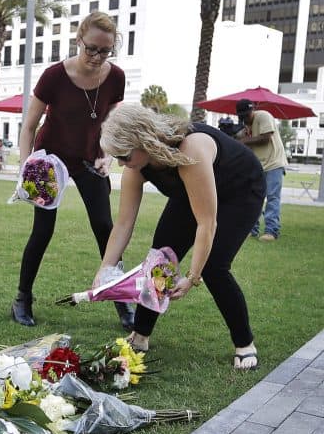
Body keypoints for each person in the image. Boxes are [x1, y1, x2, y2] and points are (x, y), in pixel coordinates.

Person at [96, 104, 264, 370]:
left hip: (240, 189)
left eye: (124, 155)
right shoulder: (136, 166)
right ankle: (140, 336)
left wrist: (192, 277)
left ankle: (245, 343)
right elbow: (123, 223)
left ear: (145, 141)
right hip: (191, 189)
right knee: (161, 258)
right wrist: (105, 269)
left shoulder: (191, 149)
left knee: (215, 267)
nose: (120, 163)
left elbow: (206, 223)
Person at [11, 11, 133, 332]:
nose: (96, 56)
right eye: (91, 48)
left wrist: (107, 156)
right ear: (79, 40)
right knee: (43, 230)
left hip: (89, 159)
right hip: (50, 159)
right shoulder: (54, 76)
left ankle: (122, 301)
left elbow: (110, 122)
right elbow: (29, 126)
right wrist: (29, 168)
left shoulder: (116, 78)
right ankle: (22, 299)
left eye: (104, 51)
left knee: (105, 229)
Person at [235, 99, 287, 241]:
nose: (245, 118)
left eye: (247, 115)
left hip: (273, 163)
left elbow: (265, 138)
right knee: (254, 198)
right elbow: (241, 142)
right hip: (258, 165)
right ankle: (252, 230)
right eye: (242, 116)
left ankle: (271, 231)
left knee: (272, 197)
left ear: (252, 110)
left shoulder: (264, 116)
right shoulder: (245, 125)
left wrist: (243, 140)